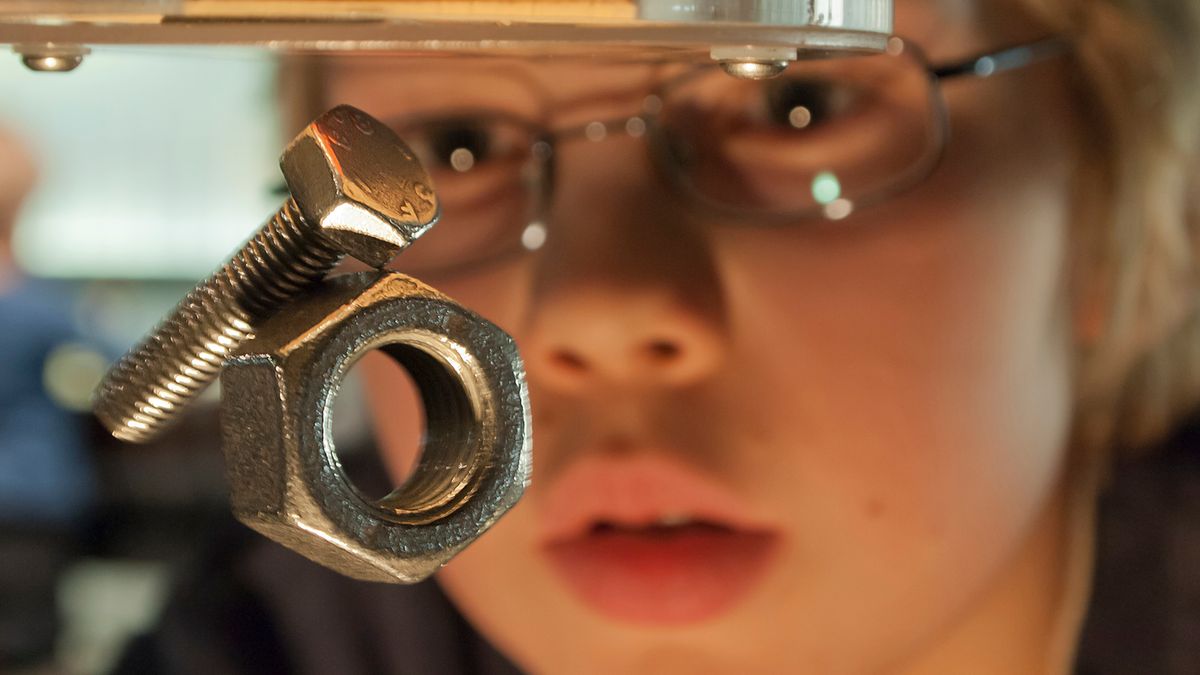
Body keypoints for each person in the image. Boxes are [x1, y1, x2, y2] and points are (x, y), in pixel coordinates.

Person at [116, 0, 1200, 672]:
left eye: (802, 105)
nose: (604, 310)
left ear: (1123, 213)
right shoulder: (273, 642)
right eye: (457, 143)